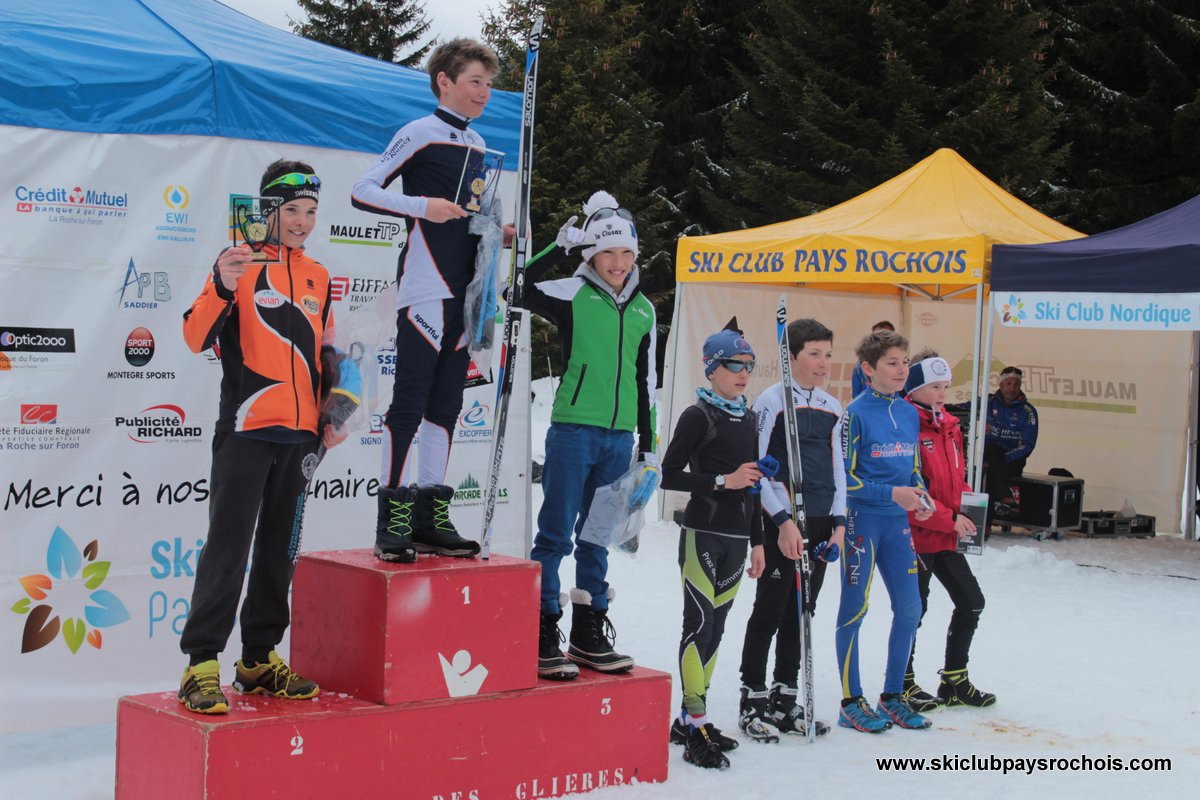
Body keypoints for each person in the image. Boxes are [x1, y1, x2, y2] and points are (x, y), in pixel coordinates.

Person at [178, 160, 345, 714]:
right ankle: (201, 663)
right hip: (247, 428)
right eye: (292, 210)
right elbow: (194, 336)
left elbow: (326, 353)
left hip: (300, 438)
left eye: (311, 212)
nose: (302, 222)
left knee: (279, 551)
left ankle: (257, 659)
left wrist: (335, 410)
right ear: (267, 211)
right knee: (228, 548)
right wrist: (224, 287)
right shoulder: (238, 264)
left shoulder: (320, 276)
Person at [351, 38, 503, 562]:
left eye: (488, 83)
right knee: (411, 401)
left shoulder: (480, 144)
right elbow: (363, 189)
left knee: (447, 406)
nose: (484, 92)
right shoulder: (418, 132)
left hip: (467, 291)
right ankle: (391, 519)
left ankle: (429, 516)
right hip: (424, 284)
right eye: (475, 81)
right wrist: (423, 206)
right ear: (445, 80)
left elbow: (471, 212)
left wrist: (492, 231)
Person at [524, 191, 658, 681]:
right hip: (574, 430)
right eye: (606, 252)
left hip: (619, 440)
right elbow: (517, 288)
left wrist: (649, 443)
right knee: (556, 533)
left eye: (626, 252)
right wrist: (559, 247)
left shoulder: (644, 309)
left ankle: (589, 631)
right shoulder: (571, 294)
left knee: (597, 536)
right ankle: (541, 627)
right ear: (590, 255)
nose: (618, 262)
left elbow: (646, 381)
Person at [660, 322, 763, 769]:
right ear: (711, 369)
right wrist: (722, 480)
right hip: (703, 532)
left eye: (749, 365)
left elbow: (756, 487)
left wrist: (759, 542)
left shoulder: (751, 417)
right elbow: (669, 474)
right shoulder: (696, 416)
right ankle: (695, 717)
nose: (743, 373)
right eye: (734, 365)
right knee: (699, 622)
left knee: (718, 627)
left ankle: (691, 718)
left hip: (739, 539)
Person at [737, 318, 845, 741]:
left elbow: (839, 471)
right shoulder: (771, 400)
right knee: (771, 607)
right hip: (781, 517)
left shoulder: (833, 407)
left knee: (801, 612)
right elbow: (755, 470)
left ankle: (785, 698)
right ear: (792, 356)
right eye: (814, 354)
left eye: (828, 354)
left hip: (819, 521)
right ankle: (754, 696)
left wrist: (838, 526)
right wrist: (781, 521)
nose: (823, 363)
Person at [835, 330, 935, 733]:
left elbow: (911, 467)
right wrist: (893, 493)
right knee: (854, 609)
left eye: (904, 362)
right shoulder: (854, 413)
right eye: (891, 362)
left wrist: (919, 494)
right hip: (863, 520)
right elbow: (846, 479)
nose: (900, 370)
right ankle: (849, 700)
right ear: (868, 369)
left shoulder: (910, 412)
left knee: (911, 608)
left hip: (897, 523)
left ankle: (893, 696)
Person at [901, 351, 996, 712]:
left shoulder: (950, 425)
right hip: (917, 536)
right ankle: (902, 682)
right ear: (915, 387)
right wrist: (947, 518)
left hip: (946, 534)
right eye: (934, 387)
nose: (942, 394)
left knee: (972, 601)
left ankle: (954, 679)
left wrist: (970, 511)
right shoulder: (907, 425)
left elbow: (954, 479)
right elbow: (913, 489)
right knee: (915, 609)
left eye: (945, 386)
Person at [981, 366, 1038, 517]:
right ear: (1000, 385)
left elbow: (1028, 446)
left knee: (992, 469)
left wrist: (1002, 459)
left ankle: (985, 527)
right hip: (988, 454)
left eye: (1016, 385)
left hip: (1013, 460)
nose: (1012, 389)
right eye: (1008, 384)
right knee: (992, 457)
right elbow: (964, 408)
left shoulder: (1028, 411)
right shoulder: (988, 402)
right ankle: (1006, 499)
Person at [850, 320, 896, 397]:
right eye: (876, 337)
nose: (880, 340)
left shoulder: (901, 364)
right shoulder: (860, 366)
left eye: (885, 336)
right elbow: (856, 394)